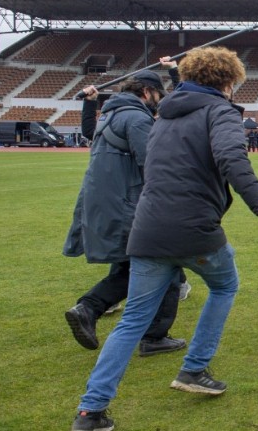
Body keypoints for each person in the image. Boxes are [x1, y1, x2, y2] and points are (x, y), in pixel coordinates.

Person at [70, 46, 258, 431]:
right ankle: (194, 369)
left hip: (148, 227)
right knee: (225, 287)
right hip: (193, 229)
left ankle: (90, 411)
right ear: (229, 82)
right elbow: (232, 159)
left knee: (133, 319)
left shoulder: (162, 117)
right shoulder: (220, 112)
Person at [62, 62, 186, 358]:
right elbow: (152, 165)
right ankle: (151, 334)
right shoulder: (137, 119)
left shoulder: (111, 115)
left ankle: (89, 309)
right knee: (165, 263)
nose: (160, 99)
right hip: (127, 204)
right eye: (157, 93)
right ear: (146, 92)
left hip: (107, 202)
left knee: (130, 265)